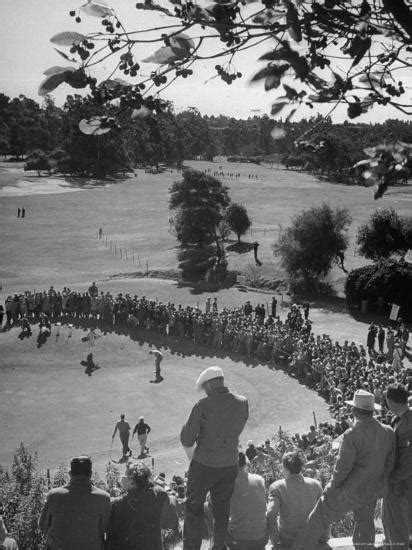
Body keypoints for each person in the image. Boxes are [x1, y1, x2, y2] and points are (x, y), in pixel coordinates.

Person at [291, 389, 395, 550]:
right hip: (373, 489)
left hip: (349, 491)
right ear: (372, 411)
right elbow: (390, 465)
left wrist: (331, 487)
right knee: (365, 524)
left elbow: (342, 468)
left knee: (318, 516)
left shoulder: (352, 434)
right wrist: (379, 484)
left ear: (354, 410)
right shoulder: (388, 431)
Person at [180, 366, 249, 550]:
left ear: (211, 383)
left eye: (205, 387)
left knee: (193, 508)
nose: (205, 391)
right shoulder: (242, 402)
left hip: (204, 465)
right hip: (229, 464)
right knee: (222, 510)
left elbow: (186, 439)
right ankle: (218, 547)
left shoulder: (203, 405)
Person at [39, 456, 111, 550]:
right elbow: (104, 529)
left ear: (70, 474)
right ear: (90, 474)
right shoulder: (103, 498)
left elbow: (42, 525)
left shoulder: (54, 496)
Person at [266, 451, 328, 550]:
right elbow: (325, 512)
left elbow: (270, 514)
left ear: (285, 469)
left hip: (288, 541)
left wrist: (275, 540)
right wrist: (324, 538)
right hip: (312, 540)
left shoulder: (277, 487)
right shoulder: (316, 484)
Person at [106, 461, 169, 550]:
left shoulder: (117, 504)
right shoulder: (159, 495)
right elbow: (156, 489)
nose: (123, 478)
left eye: (125, 476)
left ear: (132, 482)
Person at [383, 383, 412, 550]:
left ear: (390, 401)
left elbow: (408, 465)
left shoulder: (408, 425)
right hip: (400, 487)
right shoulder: (401, 418)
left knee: (398, 528)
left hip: (403, 488)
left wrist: (388, 480)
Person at [226, 451, 267, 549]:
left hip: (239, 538)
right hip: (260, 536)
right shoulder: (259, 479)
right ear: (245, 463)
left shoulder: (227, 484)